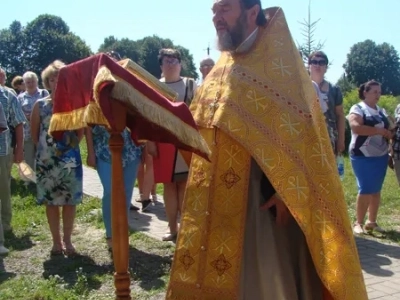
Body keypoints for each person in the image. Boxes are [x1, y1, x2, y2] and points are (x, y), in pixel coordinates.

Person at [166, 1, 367, 300]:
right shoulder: (222, 68)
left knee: (262, 284)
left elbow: (306, 140)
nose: (216, 17)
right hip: (212, 200)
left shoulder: (280, 69)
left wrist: (289, 193)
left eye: (224, 9)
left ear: (251, 11)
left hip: (260, 202)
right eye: (213, 11)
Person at [85, 51, 142, 251]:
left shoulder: (129, 86)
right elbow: (87, 125)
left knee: (126, 194)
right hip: (104, 150)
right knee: (111, 192)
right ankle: (111, 235)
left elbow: (139, 116)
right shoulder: (93, 88)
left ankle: (122, 232)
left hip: (131, 151)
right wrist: (90, 152)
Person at [30, 60, 83, 256]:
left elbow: (80, 132)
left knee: (70, 202)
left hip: (70, 162)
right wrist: (47, 152)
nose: (56, 83)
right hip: (47, 162)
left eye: (60, 79)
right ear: (47, 82)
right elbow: (35, 135)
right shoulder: (39, 106)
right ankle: (56, 242)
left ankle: (68, 241)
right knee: (51, 203)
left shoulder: (74, 105)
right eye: (53, 79)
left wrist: (68, 148)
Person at [150, 48, 197, 241]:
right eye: (167, 60)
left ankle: (187, 228)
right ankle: (172, 228)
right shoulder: (153, 86)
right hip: (164, 142)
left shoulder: (191, 85)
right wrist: (150, 142)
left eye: (175, 60)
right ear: (161, 65)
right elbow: (149, 116)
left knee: (185, 185)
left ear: (181, 64)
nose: (171, 63)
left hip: (186, 142)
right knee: (169, 186)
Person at [348, 80, 392, 235]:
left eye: (379, 92)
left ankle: (371, 222)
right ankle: (358, 223)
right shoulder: (358, 109)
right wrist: (379, 131)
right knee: (365, 188)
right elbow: (355, 127)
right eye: (374, 92)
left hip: (380, 155)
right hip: (362, 155)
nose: (378, 95)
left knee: (376, 189)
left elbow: (391, 127)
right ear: (365, 92)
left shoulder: (381, 111)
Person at [0, 82, 25, 237]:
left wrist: (19, 149)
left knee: (3, 188)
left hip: (3, 150)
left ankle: (5, 224)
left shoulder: (8, 95)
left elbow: (19, 123)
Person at [309, 51, 345, 154]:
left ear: (326, 67)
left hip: (329, 135)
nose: (317, 65)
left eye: (321, 62)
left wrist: (341, 140)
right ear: (309, 65)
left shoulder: (334, 90)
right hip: (307, 133)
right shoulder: (302, 87)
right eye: (314, 62)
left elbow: (340, 115)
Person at [18, 71, 49, 169]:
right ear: (24, 83)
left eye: (33, 81)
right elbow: (17, 114)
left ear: (37, 81)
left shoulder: (44, 93)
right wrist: (26, 116)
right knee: (29, 157)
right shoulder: (20, 97)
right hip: (27, 132)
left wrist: (35, 116)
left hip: (42, 131)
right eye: (28, 82)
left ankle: (45, 177)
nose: (31, 84)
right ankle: (30, 180)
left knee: (44, 155)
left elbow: (48, 109)